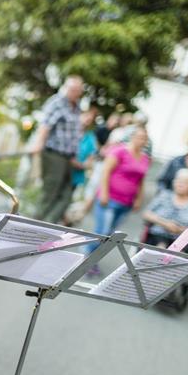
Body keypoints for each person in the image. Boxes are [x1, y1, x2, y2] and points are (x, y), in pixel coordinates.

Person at [87, 126, 151, 261]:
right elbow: (106, 172)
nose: (142, 140)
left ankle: (92, 258)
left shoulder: (145, 158)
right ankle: (87, 256)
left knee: (110, 235)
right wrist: (104, 193)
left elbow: (141, 181)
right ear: (132, 137)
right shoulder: (119, 151)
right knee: (102, 232)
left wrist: (139, 199)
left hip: (126, 202)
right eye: (140, 137)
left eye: (145, 138)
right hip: (109, 199)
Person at [32, 75, 84, 224]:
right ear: (66, 88)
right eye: (73, 89)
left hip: (69, 157)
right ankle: (34, 226)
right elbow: (45, 125)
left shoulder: (77, 106)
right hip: (54, 154)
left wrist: (74, 155)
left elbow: (74, 133)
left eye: (78, 90)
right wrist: (38, 144)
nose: (76, 92)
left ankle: (48, 224)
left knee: (67, 194)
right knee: (50, 192)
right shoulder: (57, 102)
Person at [142, 168, 188, 252]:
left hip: (184, 240)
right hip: (158, 235)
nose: (180, 184)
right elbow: (146, 214)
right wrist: (165, 223)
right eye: (178, 180)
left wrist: (181, 230)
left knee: (180, 251)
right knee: (159, 246)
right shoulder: (164, 195)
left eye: (185, 182)